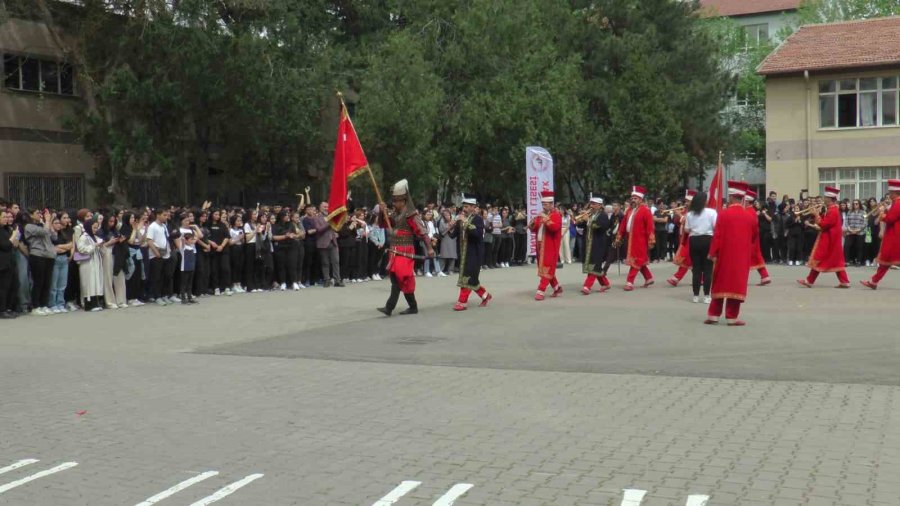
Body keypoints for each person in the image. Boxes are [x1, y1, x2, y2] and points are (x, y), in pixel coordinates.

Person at [376, 179, 434, 316]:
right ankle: (404, 307)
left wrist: (430, 248)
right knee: (396, 278)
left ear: (404, 200)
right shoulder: (395, 214)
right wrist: (381, 211)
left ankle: (394, 307)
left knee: (402, 277)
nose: (394, 203)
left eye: (397, 201)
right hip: (395, 249)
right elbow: (382, 224)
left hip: (406, 250)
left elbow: (422, 231)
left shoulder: (411, 214)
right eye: (394, 200)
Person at [705, 182, 757, 326]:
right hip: (741, 256)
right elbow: (754, 236)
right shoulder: (750, 216)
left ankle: (713, 315)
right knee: (736, 284)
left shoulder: (723, 214)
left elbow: (717, 236)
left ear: (733, 197)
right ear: (742, 199)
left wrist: (712, 252)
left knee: (720, 282)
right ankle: (731, 317)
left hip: (724, 255)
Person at [797, 186, 851, 289]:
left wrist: (816, 214)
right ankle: (844, 281)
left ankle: (809, 280)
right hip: (830, 238)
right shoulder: (832, 209)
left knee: (819, 258)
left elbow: (824, 224)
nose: (823, 199)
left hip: (829, 239)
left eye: (825, 197)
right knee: (836, 260)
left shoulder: (833, 210)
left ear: (830, 199)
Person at [450, 193, 491, 311]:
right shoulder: (460, 219)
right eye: (464, 206)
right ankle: (485, 296)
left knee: (466, 278)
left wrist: (466, 223)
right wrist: (451, 225)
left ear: (474, 207)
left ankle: (462, 302)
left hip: (474, 254)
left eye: (467, 206)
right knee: (472, 279)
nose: (464, 209)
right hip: (462, 254)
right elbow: (453, 236)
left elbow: (477, 235)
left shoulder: (478, 219)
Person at [861, 179, 899, 289]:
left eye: (890, 192)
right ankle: (873, 281)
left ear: (895, 192)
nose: (889, 194)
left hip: (895, 235)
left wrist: (882, 213)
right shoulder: (895, 203)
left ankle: (873, 281)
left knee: (887, 258)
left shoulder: (898, 203)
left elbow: (890, 219)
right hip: (893, 234)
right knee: (886, 260)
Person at [616, 185, 655, 291]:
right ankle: (648, 277)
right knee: (639, 260)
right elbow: (623, 224)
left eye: (635, 198)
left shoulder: (645, 210)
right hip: (630, 239)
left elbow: (650, 226)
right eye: (632, 198)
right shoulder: (629, 210)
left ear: (640, 199)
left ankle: (629, 282)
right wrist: (619, 236)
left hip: (640, 240)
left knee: (636, 260)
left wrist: (651, 239)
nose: (633, 200)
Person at [529, 190, 563, 301]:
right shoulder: (541, 214)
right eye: (543, 204)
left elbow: (555, 228)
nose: (543, 206)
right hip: (540, 246)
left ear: (551, 204)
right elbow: (535, 229)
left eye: (546, 204)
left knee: (547, 269)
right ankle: (557, 288)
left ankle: (541, 290)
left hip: (550, 246)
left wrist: (546, 220)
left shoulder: (556, 215)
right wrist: (532, 224)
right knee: (545, 269)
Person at [684, 191, 717, 304]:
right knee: (708, 269)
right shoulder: (712, 212)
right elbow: (715, 227)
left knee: (696, 269)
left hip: (694, 240)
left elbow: (687, 230)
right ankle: (707, 295)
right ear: (705, 201)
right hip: (708, 239)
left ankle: (696, 295)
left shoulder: (689, 214)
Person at [579, 195, 611, 295]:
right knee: (593, 265)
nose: (591, 206)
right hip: (588, 243)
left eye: (594, 204)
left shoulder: (603, 215)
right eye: (591, 204)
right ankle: (605, 283)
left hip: (598, 244)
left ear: (600, 205)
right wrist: (580, 219)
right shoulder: (590, 214)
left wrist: (587, 220)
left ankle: (587, 286)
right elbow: (580, 225)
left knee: (594, 265)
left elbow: (600, 227)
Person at [76, 216, 105, 312]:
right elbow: (81, 249)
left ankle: (95, 303)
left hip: (95, 261)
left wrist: (100, 245)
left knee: (95, 282)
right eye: (94, 227)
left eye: (97, 228)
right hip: (87, 263)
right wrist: (93, 246)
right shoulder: (83, 237)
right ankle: (88, 304)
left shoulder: (94, 237)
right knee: (89, 283)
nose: (95, 230)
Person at [667, 190, 696, 287]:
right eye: (686, 201)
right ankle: (701, 279)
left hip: (692, 237)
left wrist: (680, 215)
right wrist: (676, 214)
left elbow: (688, 221)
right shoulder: (685, 210)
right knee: (691, 261)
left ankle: (676, 278)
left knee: (685, 258)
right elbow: (676, 221)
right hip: (683, 237)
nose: (686, 203)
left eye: (688, 201)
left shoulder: (695, 211)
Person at [312, 202, 343, 287]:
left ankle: (337, 280)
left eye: (327, 207)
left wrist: (336, 231)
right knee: (325, 263)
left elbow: (336, 227)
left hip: (333, 242)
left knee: (336, 262)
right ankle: (327, 280)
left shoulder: (331, 216)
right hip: (322, 243)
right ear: (320, 208)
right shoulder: (316, 218)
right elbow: (318, 229)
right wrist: (329, 223)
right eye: (324, 207)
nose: (326, 208)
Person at [744, 191, 772, 286]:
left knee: (745, 259)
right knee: (757, 257)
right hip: (754, 238)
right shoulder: (752, 211)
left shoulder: (748, 212)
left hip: (750, 238)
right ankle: (765, 276)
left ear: (747, 201)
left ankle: (742, 278)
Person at [147, 209, 174, 305]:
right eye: (164, 215)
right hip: (156, 255)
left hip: (165, 253)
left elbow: (166, 239)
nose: (166, 217)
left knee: (166, 275)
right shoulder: (152, 227)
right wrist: (156, 252)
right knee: (157, 277)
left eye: (167, 215)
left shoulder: (164, 226)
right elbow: (149, 240)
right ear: (158, 215)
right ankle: (157, 296)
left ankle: (164, 295)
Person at [0, 209, 19, 318]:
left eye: (7, 217)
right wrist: (14, 235)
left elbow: (14, 245)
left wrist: (14, 235)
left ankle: (9, 307)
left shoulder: (7, 229)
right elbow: (6, 245)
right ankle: (2, 310)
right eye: (4, 217)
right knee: (3, 287)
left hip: (11, 261)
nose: (6, 219)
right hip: (2, 263)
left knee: (13, 285)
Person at [178, 232, 199, 304]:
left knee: (190, 284)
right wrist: (183, 237)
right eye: (190, 239)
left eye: (192, 239)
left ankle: (190, 297)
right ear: (186, 240)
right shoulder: (183, 247)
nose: (192, 241)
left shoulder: (192, 246)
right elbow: (182, 240)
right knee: (184, 284)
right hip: (185, 268)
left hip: (191, 267)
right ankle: (183, 298)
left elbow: (197, 237)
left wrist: (195, 230)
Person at [438, 208, 458, 275]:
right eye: (445, 215)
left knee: (452, 255)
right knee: (443, 255)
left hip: (452, 239)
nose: (447, 216)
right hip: (445, 239)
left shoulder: (453, 221)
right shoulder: (441, 221)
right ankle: (440, 269)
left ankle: (451, 270)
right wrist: (449, 227)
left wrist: (452, 225)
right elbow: (442, 231)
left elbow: (455, 230)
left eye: (448, 214)